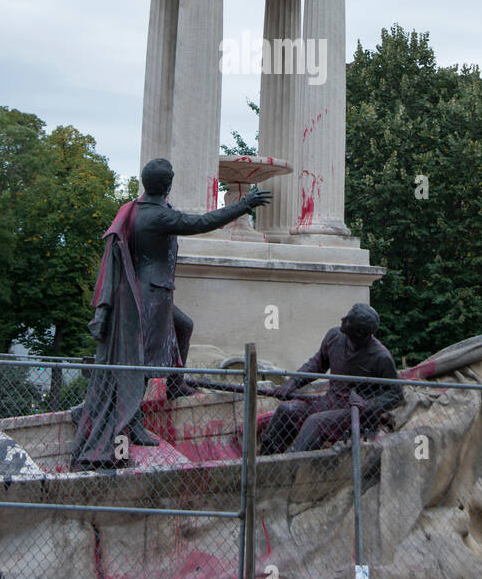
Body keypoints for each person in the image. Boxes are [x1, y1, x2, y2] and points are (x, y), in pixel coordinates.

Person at [71, 158, 271, 466]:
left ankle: (175, 384)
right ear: (167, 185)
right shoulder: (155, 217)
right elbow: (201, 223)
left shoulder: (138, 209)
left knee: (183, 327)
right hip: (149, 295)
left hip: (143, 290)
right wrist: (243, 205)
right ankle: (131, 422)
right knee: (140, 362)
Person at [259, 303, 403, 455]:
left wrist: (367, 404)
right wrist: (292, 383)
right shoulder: (334, 336)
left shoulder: (380, 357)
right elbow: (317, 363)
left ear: (360, 332)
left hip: (356, 414)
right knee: (286, 410)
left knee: (315, 422)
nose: (343, 319)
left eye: (348, 320)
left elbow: (396, 395)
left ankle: (288, 465)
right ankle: (263, 462)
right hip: (330, 402)